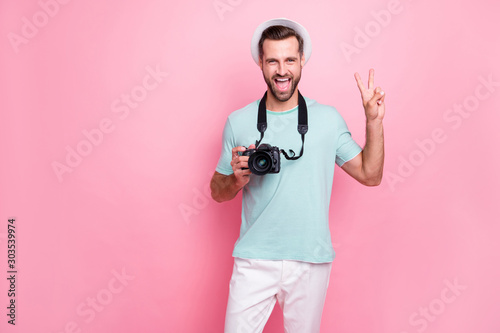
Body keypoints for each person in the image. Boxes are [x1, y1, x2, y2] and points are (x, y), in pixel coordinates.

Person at [210, 18, 385, 333]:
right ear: (261, 63)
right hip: (254, 258)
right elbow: (217, 191)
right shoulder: (238, 121)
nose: (282, 70)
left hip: (310, 258)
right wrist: (236, 180)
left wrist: (373, 120)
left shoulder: (327, 119)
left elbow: (371, 176)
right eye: (273, 60)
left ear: (302, 61)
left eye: (290, 59)